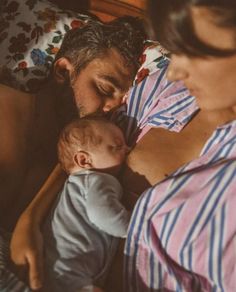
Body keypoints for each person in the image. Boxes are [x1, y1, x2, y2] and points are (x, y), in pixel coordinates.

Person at [11, 1, 236, 291]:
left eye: (193, 52)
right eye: (174, 51)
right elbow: (88, 148)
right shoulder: (164, 90)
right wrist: (31, 216)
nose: (173, 71)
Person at [0, 16, 146, 231]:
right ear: (64, 71)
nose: (111, 108)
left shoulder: (83, 163)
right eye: (104, 89)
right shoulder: (6, 106)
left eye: (121, 101)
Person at [0, 117, 130, 292]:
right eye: (117, 147)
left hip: (61, 269)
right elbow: (101, 213)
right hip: (70, 272)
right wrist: (134, 225)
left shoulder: (76, 183)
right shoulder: (97, 179)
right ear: (84, 160)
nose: (128, 150)